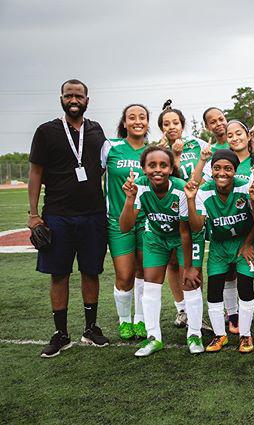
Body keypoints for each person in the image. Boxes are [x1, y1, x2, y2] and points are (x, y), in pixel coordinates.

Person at [29, 79, 110, 358]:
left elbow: (104, 166)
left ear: (87, 100)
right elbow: (35, 173)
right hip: (58, 215)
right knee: (59, 274)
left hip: (93, 214)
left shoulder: (96, 130)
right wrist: (33, 215)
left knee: (91, 271)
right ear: (61, 99)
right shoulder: (46, 131)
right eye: (68, 95)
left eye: (78, 96)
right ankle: (61, 334)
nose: (73, 100)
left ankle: (91, 328)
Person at [120, 145, 202, 356]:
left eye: (163, 165)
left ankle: (195, 334)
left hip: (183, 237)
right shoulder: (139, 186)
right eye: (152, 165)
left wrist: (188, 267)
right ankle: (154, 337)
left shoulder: (181, 189)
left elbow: (185, 231)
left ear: (171, 169)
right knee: (150, 286)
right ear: (143, 168)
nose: (158, 169)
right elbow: (125, 227)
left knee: (190, 283)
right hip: (156, 237)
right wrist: (129, 199)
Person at [185, 149, 254, 353]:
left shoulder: (245, 186)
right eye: (217, 168)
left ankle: (245, 334)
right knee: (214, 289)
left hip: (245, 242)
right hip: (219, 246)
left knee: (245, 286)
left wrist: (248, 243)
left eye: (228, 168)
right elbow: (196, 226)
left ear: (235, 171)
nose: (222, 173)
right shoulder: (204, 191)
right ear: (211, 171)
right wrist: (191, 200)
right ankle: (219, 334)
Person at [157, 101, 208, 330]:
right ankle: (182, 310)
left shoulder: (197, 145)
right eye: (166, 124)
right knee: (173, 262)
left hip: (194, 206)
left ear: (182, 124)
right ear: (161, 128)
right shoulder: (159, 149)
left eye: (175, 123)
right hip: (169, 209)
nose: (171, 127)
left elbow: (202, 178)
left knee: (194, 261)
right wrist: (173, 156)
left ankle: (197, 310)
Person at [101, 104, 149, 340]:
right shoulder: (110, 146)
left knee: (143, 271)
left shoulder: (153, 151)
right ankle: (124, 321)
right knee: (124, 274)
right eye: (132, 117)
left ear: (147, 123)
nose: (137, 121)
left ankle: (140, 319)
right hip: (117, 221)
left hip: (146, 221)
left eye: (142, 117)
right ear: (124, 123)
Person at [226, 120, 254, 334]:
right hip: (229, 227)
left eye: (239, 133)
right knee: (229, 273)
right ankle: (232, 316)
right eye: (230, 135)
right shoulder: (224, 162)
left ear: (247, 135)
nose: (235, 138)